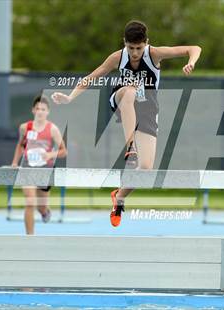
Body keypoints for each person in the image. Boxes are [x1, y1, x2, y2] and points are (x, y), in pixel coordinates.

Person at [51, 20, 201, 227]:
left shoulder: (154, 54)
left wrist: (191, 62)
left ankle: (119, 197)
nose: (135, 53)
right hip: (122, 99)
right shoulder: (117, 57)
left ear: (146, 43)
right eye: (131, 48)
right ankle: (130, 146)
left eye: (139, 48)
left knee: (146, 168)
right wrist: (70, 97)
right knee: (129, 91)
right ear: (125, 43)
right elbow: (92, 77)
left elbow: (193, 48)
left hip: (147, 109)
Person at [11, 94, 67, 234]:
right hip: (28, 167)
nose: (40, 111)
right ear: (33, 110)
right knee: (30, 202)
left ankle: (44, 212)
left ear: (48, 112)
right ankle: (30, 237)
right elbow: (20, 145)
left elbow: (63, 151)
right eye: (38, 109)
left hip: (45, 168)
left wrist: (49, 154)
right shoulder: (25, 127)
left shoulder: (53, 129)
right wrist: (14, 162)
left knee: (41, 206)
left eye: (43, 109)